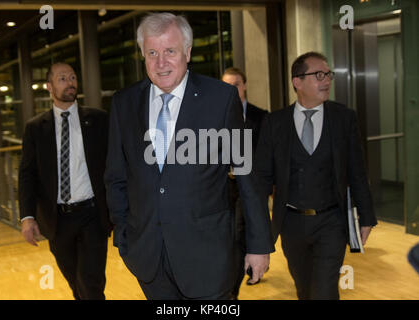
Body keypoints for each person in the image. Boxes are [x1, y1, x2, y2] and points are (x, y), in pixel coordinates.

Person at [104, 12, 273, 300]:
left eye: (170, 51)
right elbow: (116, 175)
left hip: (207, 257)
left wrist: (258, 245)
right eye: (152, 53)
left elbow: (246, 174)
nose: (161, 62)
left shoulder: (221, 98)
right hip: (149, 258)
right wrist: (124, 235)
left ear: (188, 52)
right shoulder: (124, 103)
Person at [254, 52, 377, 300]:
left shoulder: (344, 118)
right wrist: (256, 231)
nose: (326, 81)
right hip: (291, 223)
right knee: (304, 290)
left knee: (324, 292)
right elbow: (261, 180)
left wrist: (366, 216)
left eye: (328, 75)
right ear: (297, 82)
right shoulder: (274, 123)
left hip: (331, 221)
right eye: (318, 75)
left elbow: (357, 171)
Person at [18, 62, 111, 300]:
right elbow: (28, 174)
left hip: (93, 215)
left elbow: (116, 165)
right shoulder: (36, 128)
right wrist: (27, 217)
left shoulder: (99, 120)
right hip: (57, 220)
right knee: (75, 283)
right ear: (49, 86)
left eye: (72, 77)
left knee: (91, 284)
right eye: (62, 78)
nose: (70, 82)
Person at [222, 67, 268, 298]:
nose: (232, 89)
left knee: (240, 232)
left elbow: (265, 156)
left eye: (236, 84)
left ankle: (233, 290)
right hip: (223, 186)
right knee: (227, 235)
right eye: (227, 85)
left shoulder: (260, 117)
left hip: (248, 187)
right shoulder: (215, 117)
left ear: (245, 85)